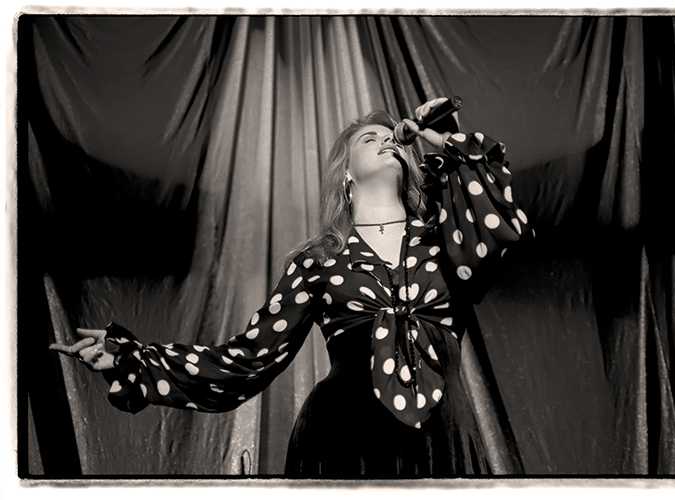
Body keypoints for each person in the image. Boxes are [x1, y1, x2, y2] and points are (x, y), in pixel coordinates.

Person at [50, 97, 532, 477]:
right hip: (342, 443)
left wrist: (444, 140)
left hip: (445, 440)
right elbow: (245, 361)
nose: (387, 142)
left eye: (393, 138)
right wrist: (135, 358)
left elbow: (503, 232)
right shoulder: (317, 260)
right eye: (370, 138)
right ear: (346, 173)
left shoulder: (446, 238)